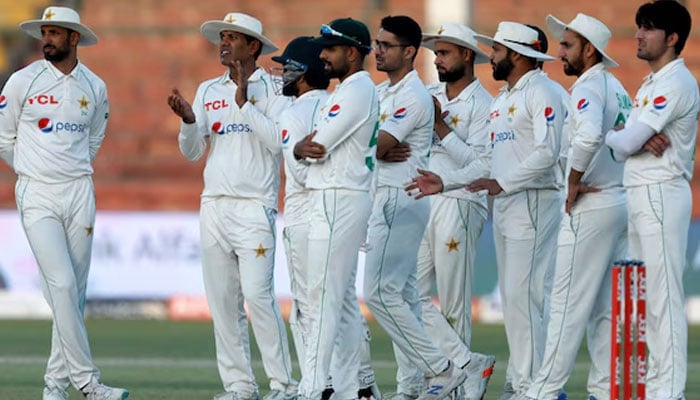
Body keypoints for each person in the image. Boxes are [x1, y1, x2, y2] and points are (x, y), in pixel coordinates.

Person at [166, 12, 296, 400]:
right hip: (214, 206)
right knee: (223, 303)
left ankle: (283, 385)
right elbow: (191, 154)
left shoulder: (277, 90)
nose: (223, 43)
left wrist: (244, 103)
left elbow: (279, 143)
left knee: (258, 296)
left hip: (255, 206)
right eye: (222, 37)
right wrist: (190, 121)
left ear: (253, 46)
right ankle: (239, 386)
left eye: (233, 38)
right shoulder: (208, 90)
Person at [0, 6, 128, 400]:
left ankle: (54, 387)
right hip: (37, 192)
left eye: (56, 33)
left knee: (74, 292)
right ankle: (88, 383)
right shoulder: (23, 81)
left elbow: (94, 138)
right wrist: (32, 168)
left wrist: (69, 168)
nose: (48, 39)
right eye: (45, 32)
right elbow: (4, 136)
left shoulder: (95, 87)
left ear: (74, 38)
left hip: (79, 191)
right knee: (61, 282)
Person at [518, 14, 631, 400]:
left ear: (589, 49)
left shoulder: (587, 87)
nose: (560, 51)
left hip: (592, 202)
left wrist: (572, 180)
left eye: (567, 45)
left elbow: (589, 136)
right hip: (617, 200)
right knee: (603, 309)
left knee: (565, 304)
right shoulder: (616, 86)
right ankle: (603, 391)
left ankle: (544, 391)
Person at [363, 15, 467, 400]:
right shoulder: (381, 93)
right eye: (377, 43)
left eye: (386, 45)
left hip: (399, 198)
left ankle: (442, 369)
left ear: (409, 52)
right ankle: (414, 385)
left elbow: (374, 147)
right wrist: (372, 147)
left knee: (378, 293)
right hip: (386, 198)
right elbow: (374, 147)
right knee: (403, 296)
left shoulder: (412, 96)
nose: (378, 51)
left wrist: (370, 147)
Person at [605, 1, 698, 399]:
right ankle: (657, 385)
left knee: (663, 297)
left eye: (648, 29)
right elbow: (622, 145)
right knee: (648, 298)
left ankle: (670, 391)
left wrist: (627, 137)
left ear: (672, 38)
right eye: (639, 27)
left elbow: (624, 140)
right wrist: (626, 138)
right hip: (640, 190)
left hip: (661, 191)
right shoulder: (649, 84)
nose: (638, 35)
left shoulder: (676, 82)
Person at [292, 18, 378, 400]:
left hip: (340, 195)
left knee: (322, 300)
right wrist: (301, 148)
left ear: (353, 53)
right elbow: (306, 149)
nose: (322, 56)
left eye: (330, 49)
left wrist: (301, 148)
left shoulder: (355, 90)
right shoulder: (346, 90)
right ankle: (350, 390)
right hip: (334, 196)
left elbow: (317, 147)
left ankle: (312, 390)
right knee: (338, 303)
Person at [417, 22, 497, 400]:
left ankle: (456, 389)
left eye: (444, 53)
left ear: (467, 55)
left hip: (461, 203)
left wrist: (439, 126)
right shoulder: (427, 93)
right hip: (420, 203)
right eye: (435, 53)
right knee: (403, 294)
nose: (437, 60)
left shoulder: (485, 106)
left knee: (453, 302)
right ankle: (463, 367)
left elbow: (482, 166)